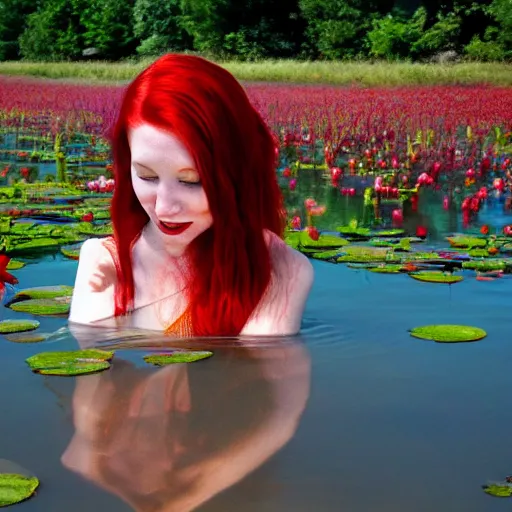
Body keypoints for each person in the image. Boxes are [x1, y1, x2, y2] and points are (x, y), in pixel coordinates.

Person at [69, 53, 314, 337]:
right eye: (147, 177)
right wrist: (95, 323)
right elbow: (88, 375)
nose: (164, 208)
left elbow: (253, 376)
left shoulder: (282, 269)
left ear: (238, 174)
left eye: (191, 181)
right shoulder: (102, 261)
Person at [60, 341, 311, 511]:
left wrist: (187, 494)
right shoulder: (100, 421)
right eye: (179, 467)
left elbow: (79, 459)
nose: (178, 454)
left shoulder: (97, 420)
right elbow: (283, 422)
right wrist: (194, 490)